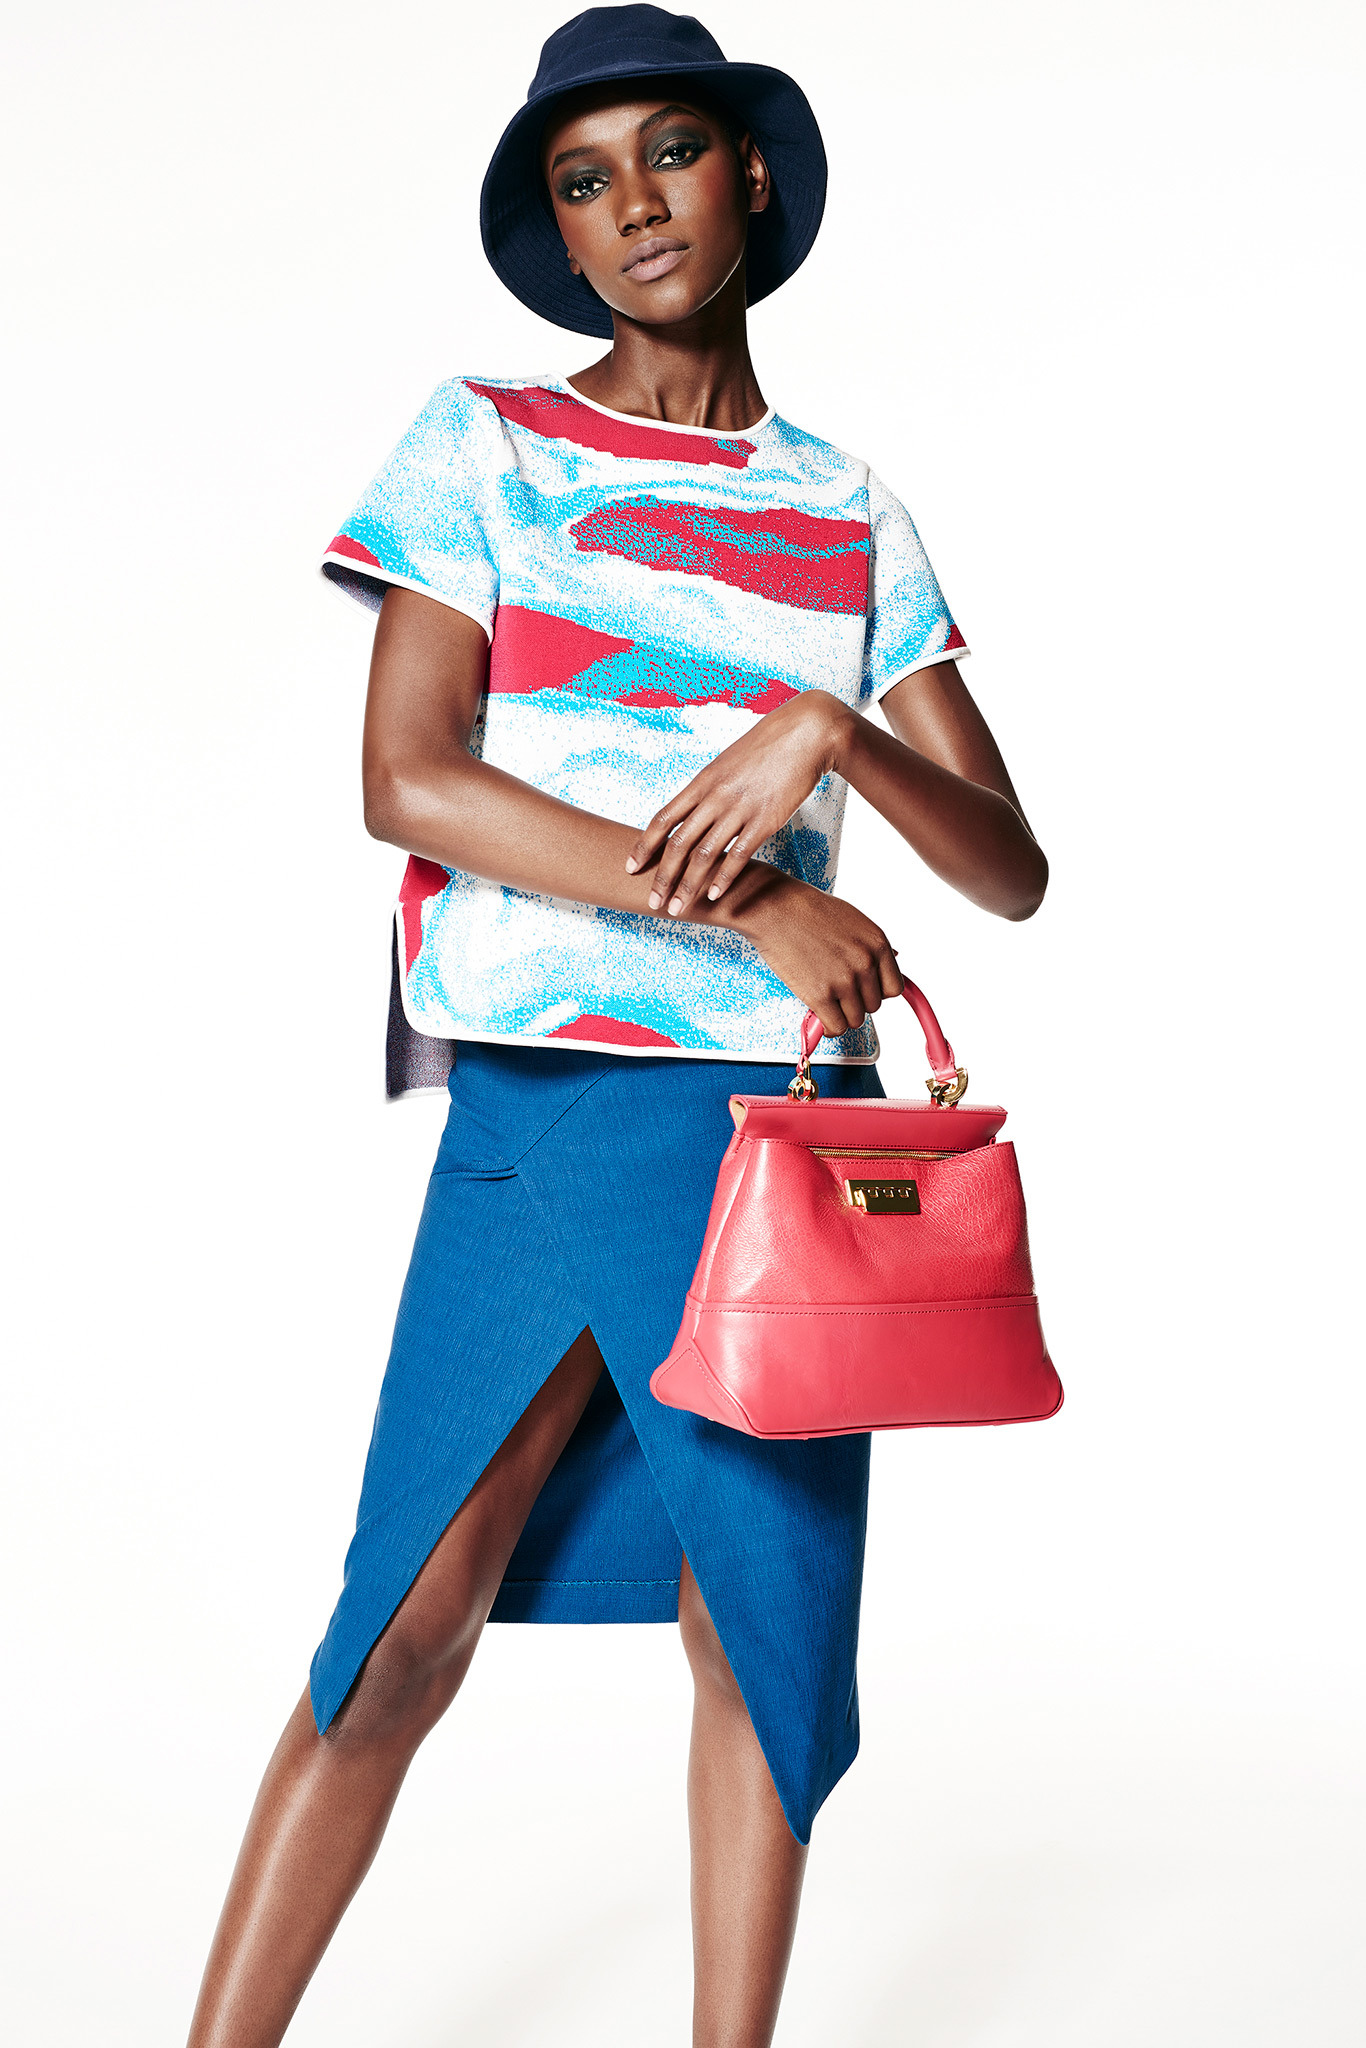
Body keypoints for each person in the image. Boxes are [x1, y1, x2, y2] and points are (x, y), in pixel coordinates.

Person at [186, 9, 1048, 2045]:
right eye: (584, 180)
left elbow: (1007, 867)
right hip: (552, 1103)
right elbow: (410, 781)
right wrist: (757, 898)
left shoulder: (847, 509)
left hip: (777, 1140)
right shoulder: (480, 444)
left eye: (671, 152)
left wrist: (830, 729)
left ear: (750, 175)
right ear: (557, 233)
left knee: (756, 1639)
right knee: (400, 1632)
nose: (634, 205)